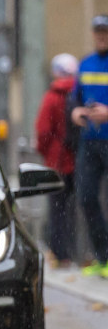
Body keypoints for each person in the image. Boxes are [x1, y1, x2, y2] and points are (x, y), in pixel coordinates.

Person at [70, 15, 108, 276]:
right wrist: (76, 112)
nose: (101, 36)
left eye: (105, 32)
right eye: (98, 32)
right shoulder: (85, 63)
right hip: (90, 142)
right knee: (86, 197)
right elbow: (75, 98)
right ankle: (103, 257)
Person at [35, 53, 79, 267]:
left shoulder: (52, 97)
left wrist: (46, 152)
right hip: (80, 161)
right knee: (77, 209)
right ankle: (79, 253)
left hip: (58, 162)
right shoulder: (79, 95)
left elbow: (43, 131)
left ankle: (61, 255)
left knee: (57, 210)